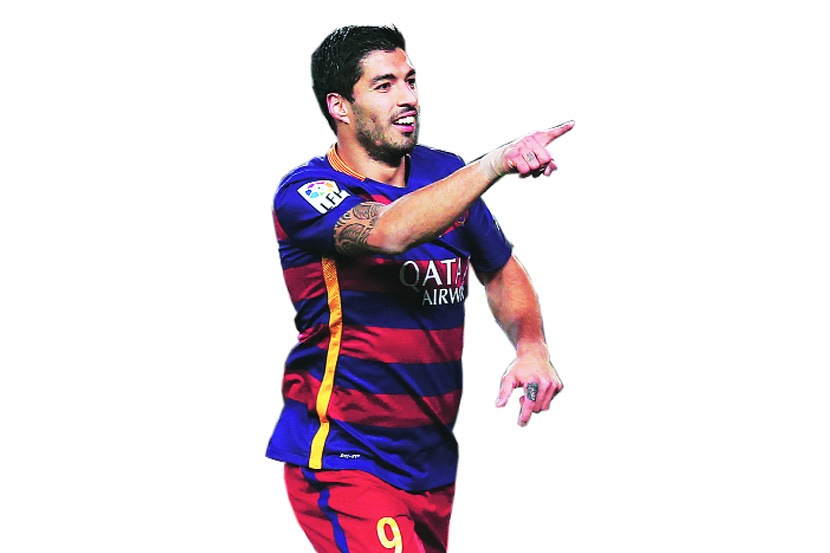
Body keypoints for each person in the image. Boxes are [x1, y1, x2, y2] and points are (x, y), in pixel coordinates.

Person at [266, 24, 572, 553]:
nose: (407, 97)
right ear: (340, 106)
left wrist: (531, 345)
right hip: (346, 457)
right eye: (384, 85)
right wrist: (496, 163)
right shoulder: (308, 192)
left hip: (430, 462)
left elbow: (499, 267)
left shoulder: (444, 174)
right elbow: (390, 232)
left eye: (410, 81)